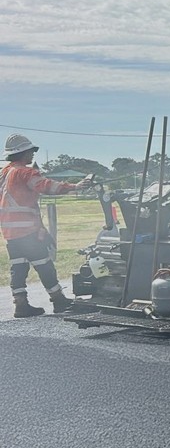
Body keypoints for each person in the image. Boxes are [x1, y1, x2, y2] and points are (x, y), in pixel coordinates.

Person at [0, 134, 90, 316]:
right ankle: (59, 301)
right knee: (44, 264)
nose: (33, 154)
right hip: (27, 231)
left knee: (18, 267)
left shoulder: (4, 173)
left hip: (10, 232)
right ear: (22, 153)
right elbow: (47, 186)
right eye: (31, 151)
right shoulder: (25, 172)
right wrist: (76, 187)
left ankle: (21, 305)